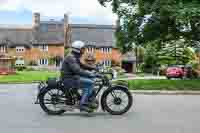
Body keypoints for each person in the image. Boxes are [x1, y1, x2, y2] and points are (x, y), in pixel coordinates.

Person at [60, 41, 97, 112]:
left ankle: (87, 99)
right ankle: (82, 104)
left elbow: (82, 65)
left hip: (72, 77)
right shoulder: (71, 57)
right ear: (78, 49)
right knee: (90, 83)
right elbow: (78, 70)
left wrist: (93, 68)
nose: (84, 51)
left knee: (90, 80)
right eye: (83, 49)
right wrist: (90, 74)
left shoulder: (74, 56)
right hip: (69, 79)